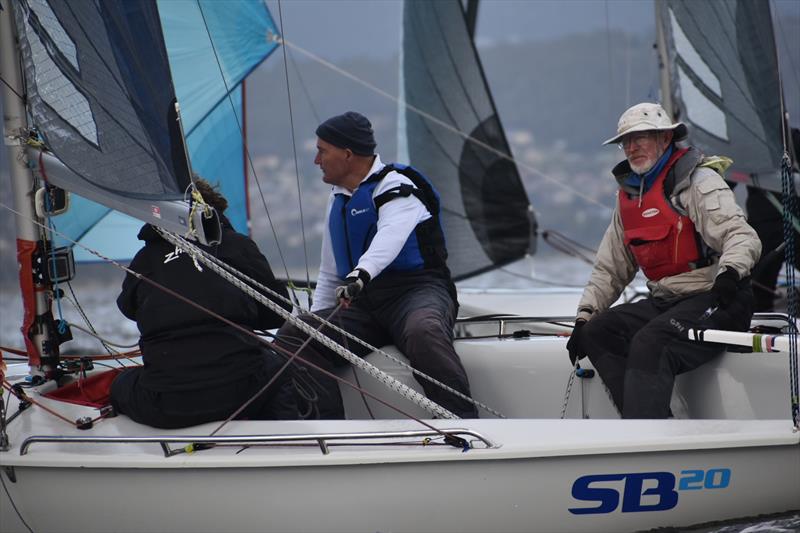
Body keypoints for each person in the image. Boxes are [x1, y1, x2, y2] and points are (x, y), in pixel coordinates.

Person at [274, 111, 478, 419]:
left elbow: (389, 239)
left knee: (423, 331)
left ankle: (462, 422)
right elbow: (330, 274)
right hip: (365, 304)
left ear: (347, 153)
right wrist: (318, 320)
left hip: (416, 293)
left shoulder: (397, 188)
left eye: (322, 151)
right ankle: (330, 429)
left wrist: (360, 275)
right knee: (296, 334)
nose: (317, 160)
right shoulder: (338, 200)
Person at [566, 102, 761, 419]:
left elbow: (742, 236)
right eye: (626, 141)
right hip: (669, 302)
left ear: (665, 139)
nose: (631, 147)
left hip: (720, 297)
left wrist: (730, 273)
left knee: (650, 342)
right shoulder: (630, 198)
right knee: (598, 333)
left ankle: (647, 434)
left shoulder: (697, 182)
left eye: (641, 137)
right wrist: (583, 319)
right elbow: (609, 269)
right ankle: (643, 423)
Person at [111, 178, 298, 428]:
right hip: (242, 393)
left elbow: (128, 308)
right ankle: (288, 439)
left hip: (167, 405)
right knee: (278, 367)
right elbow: (277, 312)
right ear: (214, 212)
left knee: (120, 384)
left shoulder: (145, 259)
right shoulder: (237, 246)